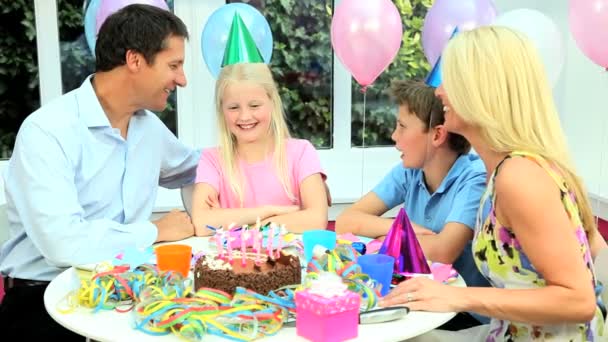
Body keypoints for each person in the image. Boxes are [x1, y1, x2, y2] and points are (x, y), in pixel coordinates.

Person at [380, 26, 607, 341]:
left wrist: (458, 296)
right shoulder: (505, 169)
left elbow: (579, 300)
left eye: (451, 79)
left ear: (480, 90)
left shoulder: (520, 176)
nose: (439, 91)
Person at [0, 5, 199, 340]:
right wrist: (155, 231)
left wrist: (291, 165)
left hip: (128, 295)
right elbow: (63, 245)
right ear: (135, 61)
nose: (181, 79)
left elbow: (199, 169)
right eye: (174, 65)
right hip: (45, 303)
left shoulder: (148, 128)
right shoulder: (47, 132)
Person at [336, 80, 490, 329]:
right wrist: (402, 230)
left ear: (437, 134)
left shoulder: (474, 178)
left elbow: (443, 251)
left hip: (464, 314)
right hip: (419, 299)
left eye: (402, 126)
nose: (394, 135)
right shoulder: (409, 172)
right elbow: (345, 222)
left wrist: (391, 236)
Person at [191, 63, 328, 235]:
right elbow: (201, 223)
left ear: (273, 103)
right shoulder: (212, 160)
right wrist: (268, 211)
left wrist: (237, 223)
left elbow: (316, 219)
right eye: (233, 107)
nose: (245, 116)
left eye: (255, 105)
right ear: (221, 110)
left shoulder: (301, 153)